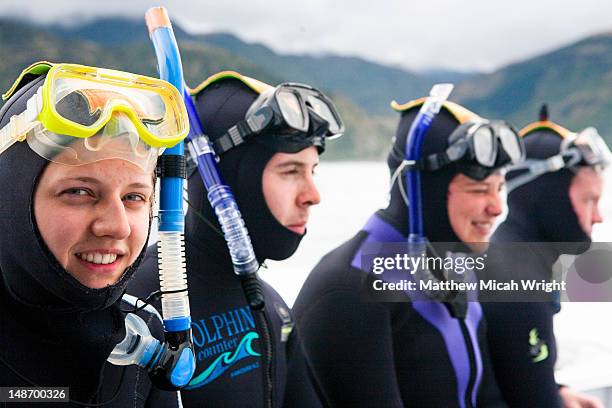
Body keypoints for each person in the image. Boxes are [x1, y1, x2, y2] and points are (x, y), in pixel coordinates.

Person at [291, 95, 525, 407]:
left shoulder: (456, 267)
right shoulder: (349, 288)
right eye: (479, 190)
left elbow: (489, 399)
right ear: (423, 189)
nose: (497, 208)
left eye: (500, 188)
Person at [129, 71, 342, 407]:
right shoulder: (138, 306)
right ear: (227, 180)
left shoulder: (272, 307)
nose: (312, 195)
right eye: (291, 171)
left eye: (312, 170)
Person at [0, 61, 186, 407]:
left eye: (134, 197)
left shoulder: (145, 332)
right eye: (80, 192)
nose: (116, 226)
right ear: (10, 197)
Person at [482, 107, 607, 408]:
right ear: (548, 199)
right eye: (588, 201)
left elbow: (513, 375)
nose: (599, 217)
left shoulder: (508, 257)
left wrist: (558, 393)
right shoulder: (516, 284)